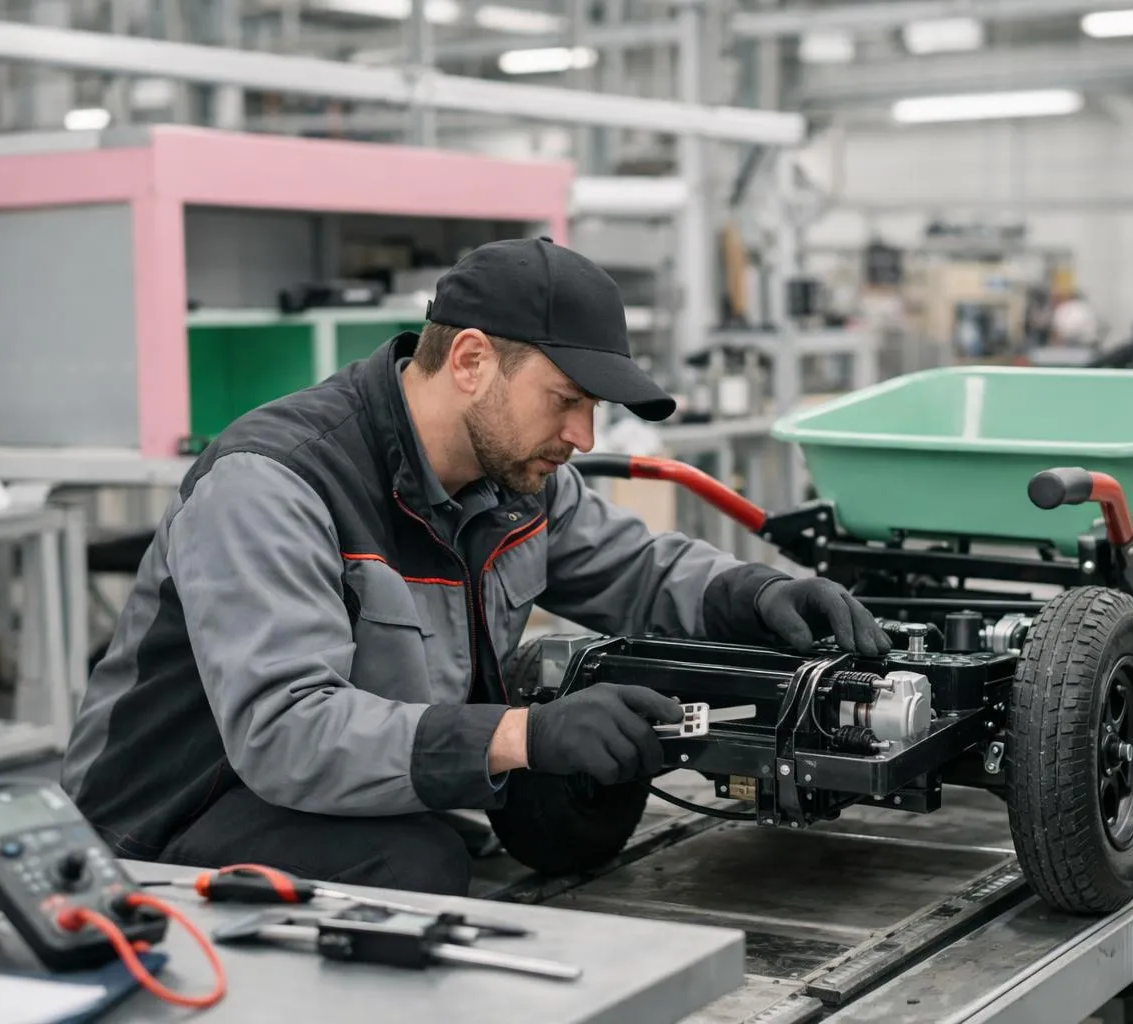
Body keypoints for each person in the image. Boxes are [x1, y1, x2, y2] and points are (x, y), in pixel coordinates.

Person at [60, 237, 890, 897]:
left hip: (322, 787)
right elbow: (287, 731)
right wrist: (523, 733)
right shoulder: (276, 484)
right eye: (565, 400)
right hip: (165, 821)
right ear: (469, 361)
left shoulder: (513, 483)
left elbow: (636, 570)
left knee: (526, 812)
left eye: (593, 410)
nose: (584, 439)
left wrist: (759, 592)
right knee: (416, 866)